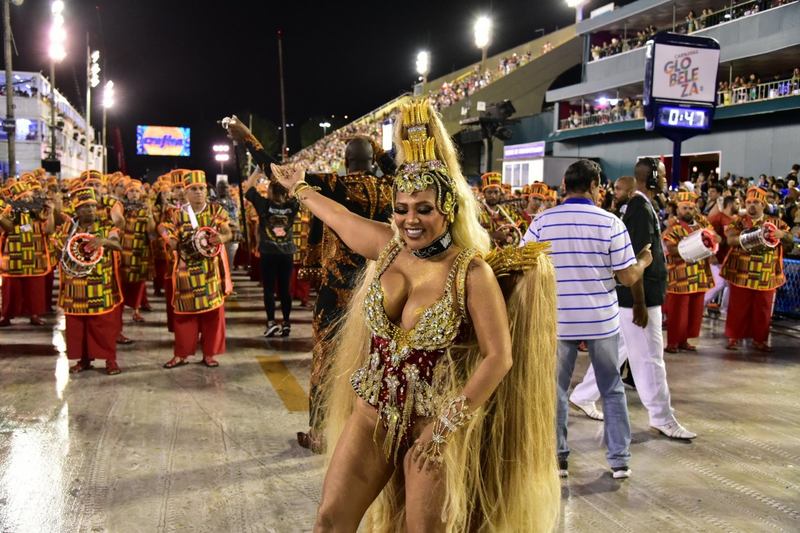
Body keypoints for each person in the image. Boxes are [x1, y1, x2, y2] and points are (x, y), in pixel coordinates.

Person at [272, 99, 559, 531]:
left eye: (424, 209)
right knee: (330, 520)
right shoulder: (387, 247)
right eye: (402, 208)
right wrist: (299, 188)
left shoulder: (471, 272)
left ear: (447, 209)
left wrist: (444, 427)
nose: (411, 220)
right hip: (371, 415)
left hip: (431, 425)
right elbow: (339, 216)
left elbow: (498, 357)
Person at [225, 118, 396, 453]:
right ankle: (370, 428)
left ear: (346, 162)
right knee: (375, 357)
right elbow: (391, 166)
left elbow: (277, 171)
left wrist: (248, 137)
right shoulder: (393, 187)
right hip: (383, 286)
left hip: (340, 288)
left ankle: (319, 432)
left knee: (326, 358)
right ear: (373, 160)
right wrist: (378, 152)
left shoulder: (336, 185)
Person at [523, 158, 653, 480]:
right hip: (600, 321)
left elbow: (524, 268)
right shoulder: (610, 223)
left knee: (555, 390)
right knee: (611, 388)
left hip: (557, 321)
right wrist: (644, 261)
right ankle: (620, 460)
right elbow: (626, 277)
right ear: (595, 187)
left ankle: (558, 460)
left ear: (565, 186)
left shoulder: (542, 222)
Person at [162, 170, 233, 369]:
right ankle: (181, 354)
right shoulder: (177, 213)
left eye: (201, 188)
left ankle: (209, 354)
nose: (199, 192)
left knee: (211, 314)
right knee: (184, 315)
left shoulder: (216, 211)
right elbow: (164, 228)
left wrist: (223, 238)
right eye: (193, 189)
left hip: (209, 271)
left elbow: (228, 232)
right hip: (185, 271)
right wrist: (171, 240)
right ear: (186, 192)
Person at [52, 187, 124, 375]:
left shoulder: (106, 225)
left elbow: (117, 245)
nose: (90, 211)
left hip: (100, 285)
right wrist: (58, 248)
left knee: (103, 325)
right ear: (77, 210)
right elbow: (58, 249)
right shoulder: (69, 228)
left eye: (92, 206)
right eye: (85, 207)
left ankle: (110, 360)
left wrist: (104, 242)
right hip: (75, 285)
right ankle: (84, 360)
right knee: (77, 326)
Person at [721, 186, 794, 351]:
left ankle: (760, 340)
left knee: (763, 309)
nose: (751, 205)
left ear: (763, 204)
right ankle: (734, 337)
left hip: (766, 273)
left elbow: (791, 238)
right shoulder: (738, 221)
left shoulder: (776, 222)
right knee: (738, 307)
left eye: (755, 202)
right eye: (749, 202)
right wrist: (750, 236)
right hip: (742, 271)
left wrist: (782, 235)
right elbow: (730, 240)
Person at [244, 172, 300, 337]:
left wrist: (256, 172)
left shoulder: (264, 204)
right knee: (285, 289)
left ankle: (271, 322)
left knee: (269, 289)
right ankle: (287, 322)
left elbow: (248, 189)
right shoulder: (292, 205)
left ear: (269, 192)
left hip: (268, 252)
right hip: (286, 252)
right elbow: (300, 189)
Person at [662, 192, 719, 352]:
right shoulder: (673, 227)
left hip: (700, 274)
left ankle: (684, 340)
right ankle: (672, 342)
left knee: (694, 313)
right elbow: (670, 248)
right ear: (677, 209)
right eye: (684, 208)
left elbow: (716, 238)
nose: (688, 210)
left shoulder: (702, 225)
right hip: (680, 276)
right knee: (678, 312)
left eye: (691, 208)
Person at [0, 178, 55, 327]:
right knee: (10, 289)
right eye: (24, 196)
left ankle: (34, 314)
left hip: (35, 256)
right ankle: (6, 315)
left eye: (29, 195)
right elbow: (8, 228)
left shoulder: (40, 211)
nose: (28, 198)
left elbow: (49, 230)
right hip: (14, 257)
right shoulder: (9, 211)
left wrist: (51, 212)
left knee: (34, 288)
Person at [120, 180, 156, 323]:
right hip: (123, 249)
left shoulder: (145, 208)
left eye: (136, 191)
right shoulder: (120, 207)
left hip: (141, 250)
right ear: (126, 193)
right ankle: (121, 310)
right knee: (122, 281)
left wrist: (149, 214)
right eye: (131, 191)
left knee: (139, 282)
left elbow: (151, 229)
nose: (134, 194)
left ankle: (136, 310)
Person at [704, 195, 739, 313]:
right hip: (716, 259)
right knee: (718, 284)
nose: (739, 206)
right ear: (730, 204)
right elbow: (705, 236)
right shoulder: (717, 218)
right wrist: (711, 255)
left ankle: (726, 309)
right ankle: (699, 304)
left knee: (731, 285)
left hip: (727, 259)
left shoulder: (733, 219)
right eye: (737, 203)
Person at [478, 172, 527, 248]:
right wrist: (491, 235)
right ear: (484, 193)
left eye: (496, 192)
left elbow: (522, 227)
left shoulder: (508, 211)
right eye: (489, 192)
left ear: (500, 193)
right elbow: (471, 234)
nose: (493, 196)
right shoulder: (477, 211)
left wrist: (512, 234)